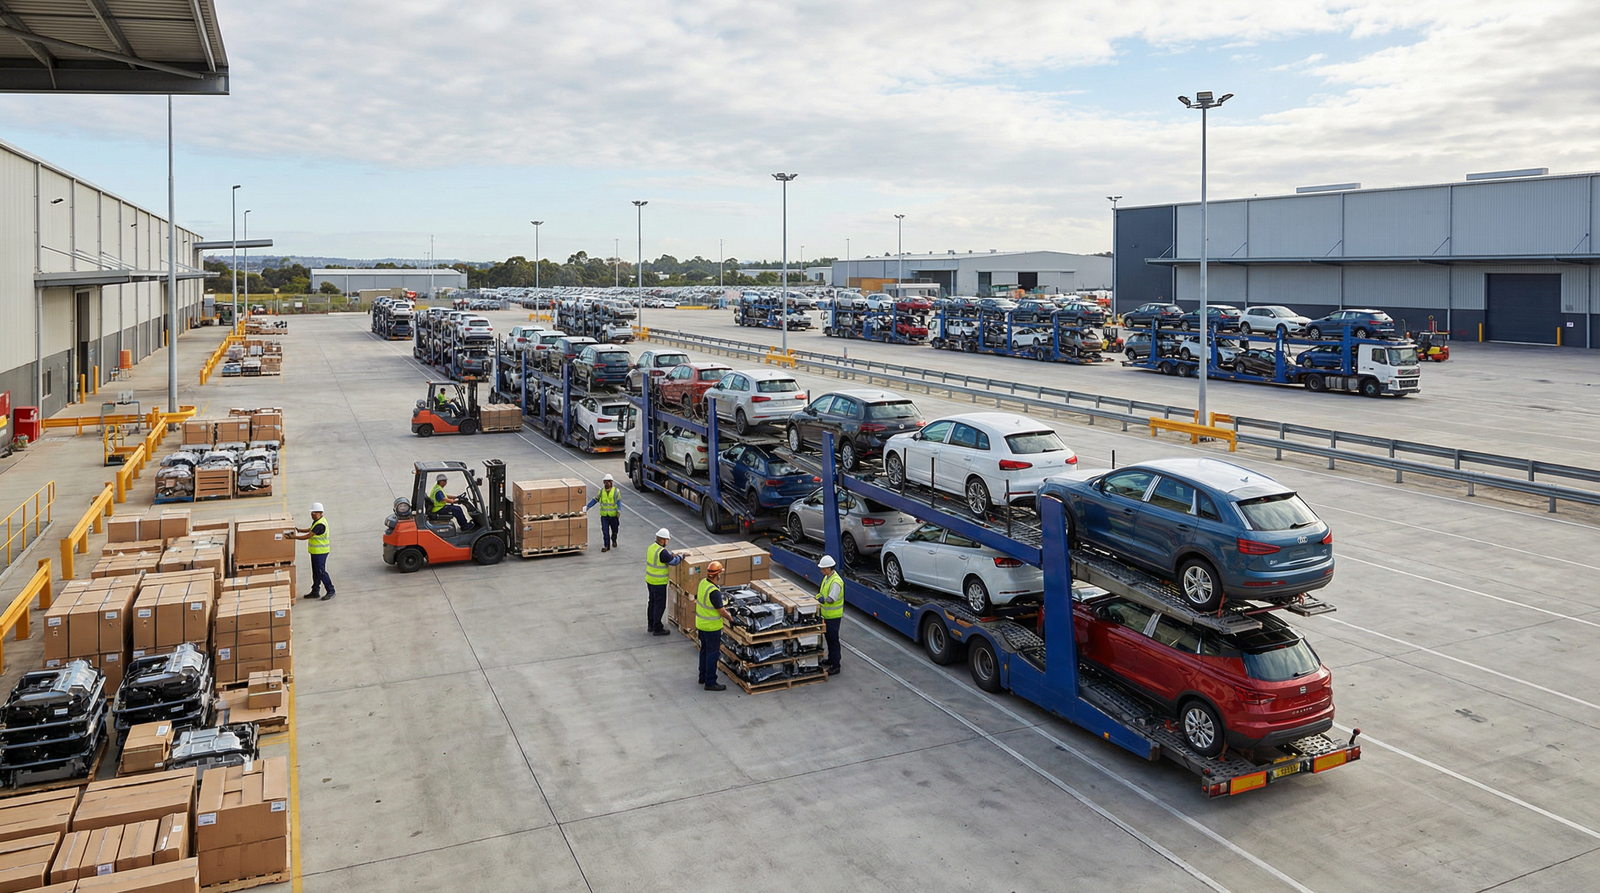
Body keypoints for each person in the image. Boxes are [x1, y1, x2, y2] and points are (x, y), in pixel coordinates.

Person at [289, 503, 335, 601]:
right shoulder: (317, 521)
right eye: (312, 512)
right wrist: (299, 530)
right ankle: (315, 591)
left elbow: (309, 535)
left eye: (315, 512)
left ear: (320, 513)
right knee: (315, 572)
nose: (312, 514)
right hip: (315, 552)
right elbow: (311, 529)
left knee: (321, 572)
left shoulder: (320, 524)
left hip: (321, 552)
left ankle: (331, 590)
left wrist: (294, 537)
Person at [696, 561, 728, 691]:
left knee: (704, 651)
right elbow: (721, 610)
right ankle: (710, 681)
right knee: (712, 654)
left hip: (701, 625)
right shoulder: (714, 592)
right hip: (712, 627)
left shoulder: (703, 583)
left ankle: (702, 676)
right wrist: (731, 619)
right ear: (718, 574)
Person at [645, 527, 682, 636]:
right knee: (659, 605)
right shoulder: (662, 552)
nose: (667, 542)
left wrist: (671, 555)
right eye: (667, 540)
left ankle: (651, 625)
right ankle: (658, 627)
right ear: (663, 540)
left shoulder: (651, 548)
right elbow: (674, 562)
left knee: (651, 602)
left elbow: (666, 557)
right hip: (658, 583)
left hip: (650, 581)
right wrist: (681, 556)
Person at [817, 555, 844, 675]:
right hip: (826, 615)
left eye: (823, 569)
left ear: (829, 568)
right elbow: (821, 593)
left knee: (833, 640)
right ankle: (831, 659)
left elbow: (831, 598)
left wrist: (823, 600)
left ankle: (836, 665)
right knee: (828, 639)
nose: (821, 571)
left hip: (833, 617)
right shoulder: (827, 577)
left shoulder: (836, 582)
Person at [586, 473, 621, 552]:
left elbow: (619, 501)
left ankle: (614, 539)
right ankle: (606, 546)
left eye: (608, 482)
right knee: (605, 531)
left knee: (615, 530)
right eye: (605, 482)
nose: (606, 483)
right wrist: (587, 507)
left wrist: (619, 511)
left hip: (613, 516)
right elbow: (596, 499)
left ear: (611, 482)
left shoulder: (616, 491)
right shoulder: (601, 491)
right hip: (604, 516)